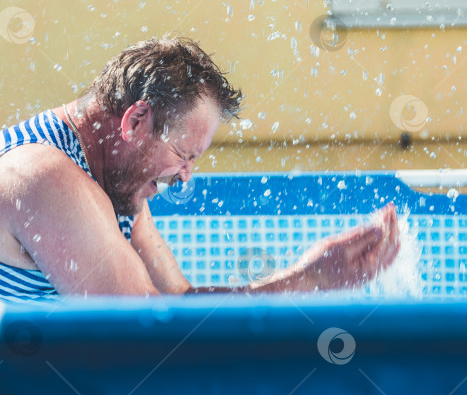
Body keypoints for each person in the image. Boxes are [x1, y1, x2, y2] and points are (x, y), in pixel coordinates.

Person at [0, 36, 399, 302]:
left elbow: (176, 303)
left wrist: (314, 276)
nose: (185, 174)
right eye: (182, 154)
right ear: (136, 121)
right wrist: (307, 279)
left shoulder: (113, 181)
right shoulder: (45, 178)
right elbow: (144, 330)